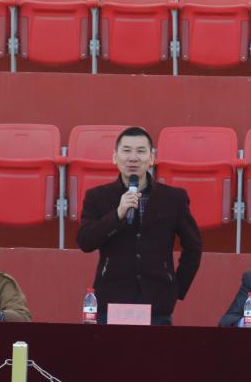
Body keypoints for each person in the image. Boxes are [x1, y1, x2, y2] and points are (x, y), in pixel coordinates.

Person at [77, 126, 203, 325]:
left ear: (151, 158)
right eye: (126, 151)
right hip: (111, 298)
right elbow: (85, 242)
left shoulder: (173, 198)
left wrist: (176, 287)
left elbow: (193, 246)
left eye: (141, 151)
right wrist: (117, 214)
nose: (133, 158)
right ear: (114, 157)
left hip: (157, 301)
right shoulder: (97, 196)